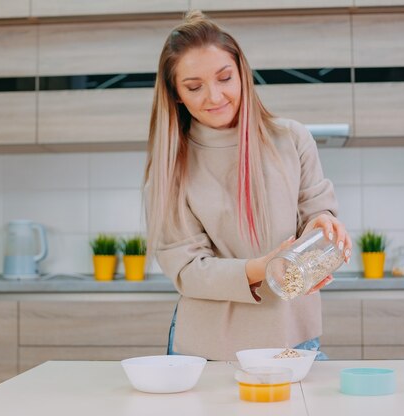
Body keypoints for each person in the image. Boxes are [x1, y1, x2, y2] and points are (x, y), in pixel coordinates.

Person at [143, 10, 352, 361]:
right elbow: (189, 272)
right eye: (194, 87)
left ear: (242, 73)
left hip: (293, 340)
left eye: (225, 78)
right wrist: (263, 267)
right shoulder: (171, 167)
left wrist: (322, 234)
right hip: (205, 351)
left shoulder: (291, 138)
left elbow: (317, 217)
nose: (214, 96)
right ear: (176, 94)